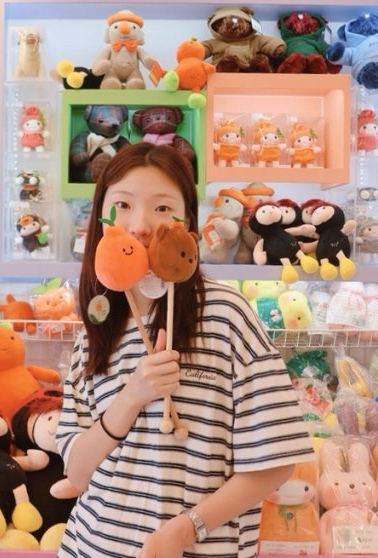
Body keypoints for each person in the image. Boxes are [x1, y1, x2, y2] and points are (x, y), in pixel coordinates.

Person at [55, 142, 315, 558]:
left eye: (162, 207)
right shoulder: (96, 331)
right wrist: (132, 396)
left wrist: (184, 531)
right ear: (101, 217)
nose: (140, 225)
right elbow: (78, 471)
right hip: (93, 546)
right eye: (122, 205)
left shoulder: (226, 314)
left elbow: (276, 460)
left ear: (188, 222)